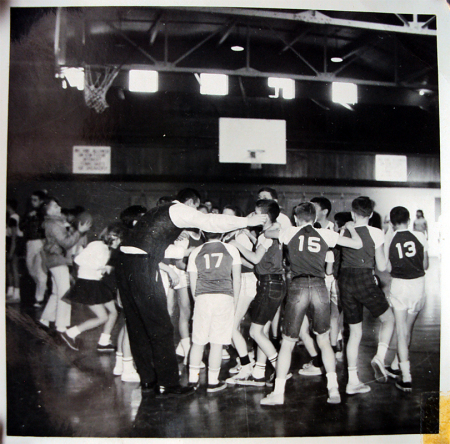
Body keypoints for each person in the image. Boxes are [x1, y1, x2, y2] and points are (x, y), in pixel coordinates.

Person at [117, 188, 268, 398]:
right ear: (190, 202)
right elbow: (208, 221)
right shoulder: (178, 210)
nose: (195, 214)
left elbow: (155, 248)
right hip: (142, 265)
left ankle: (148, 380)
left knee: (137, 326)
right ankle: (169, 384)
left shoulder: (157, 212)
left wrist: (185, 252)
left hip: (125, 263)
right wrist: (245, 222)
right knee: (160, 325)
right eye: (196, 208)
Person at [260, 202, 362, 406]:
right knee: (324, 340)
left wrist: (280, 226)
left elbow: (267, 232)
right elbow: (357, 244)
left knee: (288, 342)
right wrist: (350, 228)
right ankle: (333, 388)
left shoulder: (289, 232)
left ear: (297, 218)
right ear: (315, 218)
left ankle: (278, 393)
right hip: (319, 285)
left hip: (298, 286)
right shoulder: (325, 234)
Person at [338, 196, 395, 394]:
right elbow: (381, 266)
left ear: (353, 213)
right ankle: (379, 357)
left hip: (345, 281)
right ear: (371, 214)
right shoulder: (377, 232)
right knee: (388, 320)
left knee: (354, 333)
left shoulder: (344, 230)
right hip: (364, 279)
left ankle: (352, 381)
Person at [229, 199, 285, 386]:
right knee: (260, 330)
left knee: (255, 331)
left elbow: (254, 259)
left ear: (265, 217)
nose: (251, 216)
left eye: (255, 213)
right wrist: (252, 238)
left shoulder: (266, 234)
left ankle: (281, 370)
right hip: (275, 284)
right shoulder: (272, 232)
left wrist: (237, 245)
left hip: (268, 284)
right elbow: (266, 253)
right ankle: (267, 371)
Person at [187, 231, 241, 392]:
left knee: (198, 342)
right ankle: (212, 381)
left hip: (203, 297)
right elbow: (237, 279)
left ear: (203, 233)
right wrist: (235, 303)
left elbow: (193, 282)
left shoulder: (196, 252)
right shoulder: (231, 249)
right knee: (217, 343)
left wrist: (198, 300)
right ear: (223, 232)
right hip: (224, 297)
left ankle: (192, 380)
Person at [384, 206, 428, 392]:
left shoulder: (390, 238)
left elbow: (386, 267)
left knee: (401, 332)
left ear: (392, 224)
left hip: (400, 286)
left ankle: (406, 376)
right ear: (409, 220)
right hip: (418, 286)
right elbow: (425, 264)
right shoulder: (420, 236)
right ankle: (395, 365)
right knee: (408, 329)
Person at [60, 223, 122, 352]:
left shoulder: (105, 248)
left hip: (96, 283)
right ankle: (70, 333)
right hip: (88, 284)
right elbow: (79, 260)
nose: (120, 243)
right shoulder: (97, 245)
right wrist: (100, 266)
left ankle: (104, 342)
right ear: (112, 236)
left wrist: (103, 269)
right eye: (119, 239)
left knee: (114, 312)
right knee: (103, 317)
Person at [39, 197, 92, 333]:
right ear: (47, 211)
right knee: (65, 293)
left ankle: (45, 319)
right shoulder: (54, 224)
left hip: (55, 259)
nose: (59, 208)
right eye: (55, 207)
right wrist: (79, 232)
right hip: (57, 260)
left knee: (57, 291)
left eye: (58, 206)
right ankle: (61, 325)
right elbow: (66, 243)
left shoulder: (55, 222)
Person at [221, 205, 257, 381]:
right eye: (223, 216)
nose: (225, 219)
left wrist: (236, 257)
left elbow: (253, 264)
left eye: (230, 217)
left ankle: (246, 366)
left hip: (245, 280)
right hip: (234, 281)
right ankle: (246, 358)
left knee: (230, 326)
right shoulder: (226, 235)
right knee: (230, 326)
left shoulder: (241, 236)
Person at [20, 190, 48, 306]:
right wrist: (28, 218)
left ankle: (39, 298)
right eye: (31, 200)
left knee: (40, 270)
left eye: (35, 200)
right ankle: (43, 288)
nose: (32, 202)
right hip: (30, 242)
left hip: (40, 242)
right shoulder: (29, 213)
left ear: (41, 201)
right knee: (31, 269)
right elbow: (21, 226)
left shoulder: (44, 213)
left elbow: (45, 227)